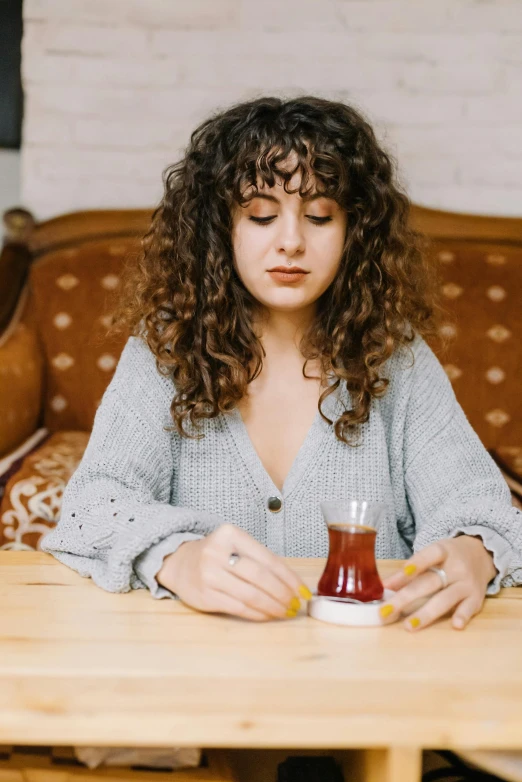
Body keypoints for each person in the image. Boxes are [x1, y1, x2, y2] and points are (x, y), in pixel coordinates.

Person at [41, 95, 522, 632]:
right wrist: (178, 558)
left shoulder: (397, 356)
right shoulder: (165, 349)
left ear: (354, 233)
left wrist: (475, 553)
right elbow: (92, 506)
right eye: (262, 215)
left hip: (372, 670)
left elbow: (477, 503)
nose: (291, 242)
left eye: (320, 216)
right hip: (197, 670)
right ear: (221, 229)